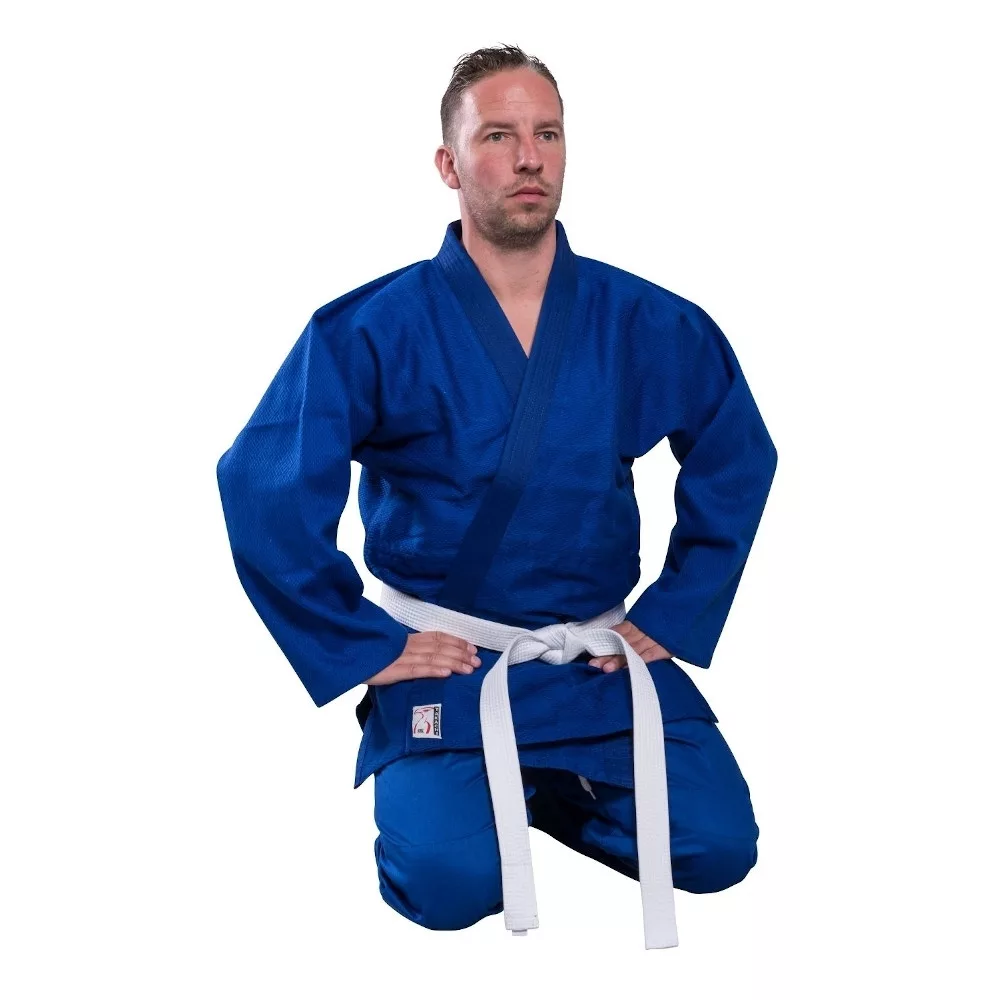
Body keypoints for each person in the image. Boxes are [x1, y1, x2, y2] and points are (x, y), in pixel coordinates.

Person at [216, 44, 778, 949]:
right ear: (449, 164)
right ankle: (474, 803)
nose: (528, 158)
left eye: (547, 134)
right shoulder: (371, 328)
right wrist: (365, 644)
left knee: (717, 850)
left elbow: (736, 452)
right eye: (498, 136)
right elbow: (262, 485)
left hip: (594, 659)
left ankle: (538, 792)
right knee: (448, 888)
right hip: (451, 662)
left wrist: (676, 610)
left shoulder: (645, 320)